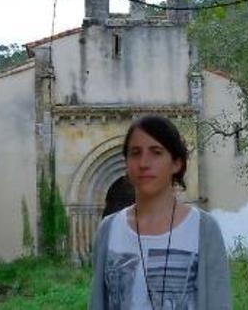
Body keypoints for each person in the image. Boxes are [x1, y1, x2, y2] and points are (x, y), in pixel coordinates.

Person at [89, 115, 232, 310]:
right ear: (126, 163)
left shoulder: (203, 229)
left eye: (156, 152)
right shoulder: (109, 229)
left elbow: (218, 303)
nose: (143, 163)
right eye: (135, 153)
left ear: (176, 163)